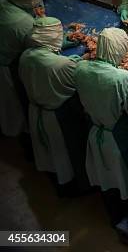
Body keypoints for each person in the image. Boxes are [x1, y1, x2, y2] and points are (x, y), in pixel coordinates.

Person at [73, 27, 128, 223]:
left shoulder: (81, 67)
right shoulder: (119, 77)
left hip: (96, 129)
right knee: (125, 174)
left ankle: (113, 210)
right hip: (118, 135)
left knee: (106, 174)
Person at [19, 17, 90, 195]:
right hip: (57, 115)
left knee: (49, 154)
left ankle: (59, 182)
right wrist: (80, 61)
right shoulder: (61, 65)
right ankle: (75, 188)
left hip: (35, 111)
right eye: (59, 34)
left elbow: (43, 56)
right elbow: (79, 78)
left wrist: (62, 52)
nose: (61, 36)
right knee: (66, 153)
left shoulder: (25, 56)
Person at [0, 0, 44, 137]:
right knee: (13, 104)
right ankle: (22, 136)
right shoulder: (22, 23)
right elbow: (40, 44)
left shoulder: (4, 1)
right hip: (7, 67)